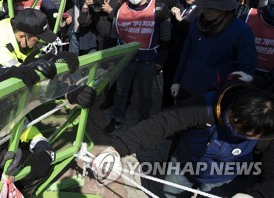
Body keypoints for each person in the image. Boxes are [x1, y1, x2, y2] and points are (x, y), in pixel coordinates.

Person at [93, 83, 274, 197]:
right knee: (170, 193)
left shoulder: (268, 133)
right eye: (233, 121)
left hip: (223, 178)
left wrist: (253, 195)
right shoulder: (206, 106)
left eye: (243, 132)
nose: (234, 130)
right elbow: (163, 122)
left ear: (261, 134)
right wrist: (118, 148)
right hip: (184, 164)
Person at [105, 0, 171, 133]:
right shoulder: (121, 7)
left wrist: (160, 61)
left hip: (147, 61)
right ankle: (117, 119)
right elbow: (114, 34)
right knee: (121, 91)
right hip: (125, 59)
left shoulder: (159, 8)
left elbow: (166, 38)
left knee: (145, 94)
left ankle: (143, 123)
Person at [171, 0, 257, 100]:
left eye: (212, 7)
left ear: (224, 8)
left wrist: (246, 77)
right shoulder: (196, 23)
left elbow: (246, 67)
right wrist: (177, 80)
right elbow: (186, 53)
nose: (207, 10)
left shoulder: (241, 31)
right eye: (205, 6)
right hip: (187, 88)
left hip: (215, 95)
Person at [162, 0, 209, 108]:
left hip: (188, 61)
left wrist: (180, 20)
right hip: (172, 58)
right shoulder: (180, 4)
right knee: (167, 93)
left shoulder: (204, 12)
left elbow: (197, 33)